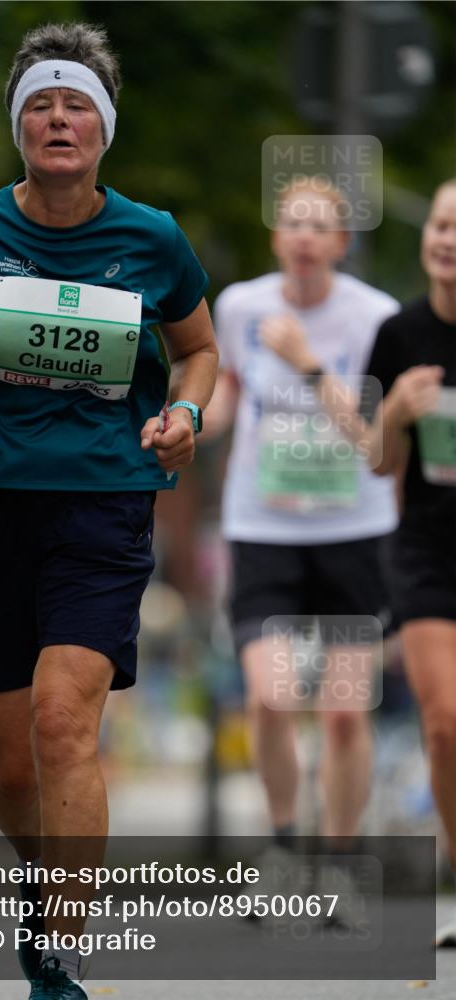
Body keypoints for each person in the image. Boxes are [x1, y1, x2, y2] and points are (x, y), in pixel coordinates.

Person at [0, 21, 218, 998]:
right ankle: (42, 885)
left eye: (75, 106)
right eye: (39, 104)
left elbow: (198, 349)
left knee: (66, 721)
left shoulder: (151, 239)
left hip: (104, 508)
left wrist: (186, 411)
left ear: (103, 127)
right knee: (13, 766)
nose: (57, 119)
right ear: (17, 125)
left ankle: (58, 961)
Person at [264, 178, 456, 945]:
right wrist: (401, 415)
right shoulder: (399, 333)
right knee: (443, 727)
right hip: (427, 555)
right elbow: (377, 461)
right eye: (441, 225)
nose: (446, 239)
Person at [208, 176, 399, 918]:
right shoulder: (240, 307)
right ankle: (284, 846)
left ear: (342, 244)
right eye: (292, 222)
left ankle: (342, 863)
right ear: (275, 237)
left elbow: (372, 437)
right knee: (267, 693)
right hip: (262, 527)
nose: (305, 236)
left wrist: (308, 366)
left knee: (345, 712)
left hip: (354, 529)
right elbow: (228, 389)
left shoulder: (374, 318)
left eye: (321, 225)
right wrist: (193, 421)